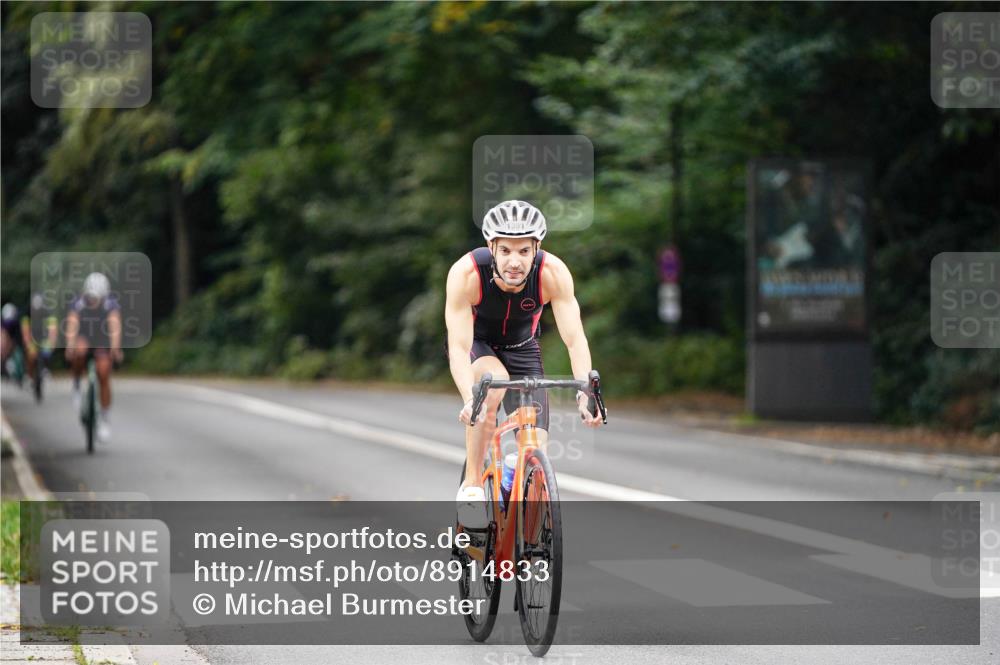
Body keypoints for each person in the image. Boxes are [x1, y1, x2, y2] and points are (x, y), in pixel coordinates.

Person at [444, 200, 604, 528]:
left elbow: (575, 339)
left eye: (523, 251)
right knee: (492, 383)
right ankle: (473, 486)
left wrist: (585, 392)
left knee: (533, 449)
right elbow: (458, 347)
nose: (514, 261)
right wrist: (467, 397)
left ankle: (511, 484)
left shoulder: (553, 273)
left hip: (523, 349)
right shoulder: (466, 273)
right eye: (505, 251)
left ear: (537, 249)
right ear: (491, 247)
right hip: (479, 346)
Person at [65, 272, 123, 442]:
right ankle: (76, 383)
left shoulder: (111, 305)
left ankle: (105, 417)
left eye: (97, 298)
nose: (93, 301)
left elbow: (114, 327)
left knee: (104, 372)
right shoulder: (78, 303)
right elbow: (72, 325)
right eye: (90, 297)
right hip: (84, 335)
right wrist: (70, 345)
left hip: (102, 338)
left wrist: (115, 348)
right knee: (79, 351)